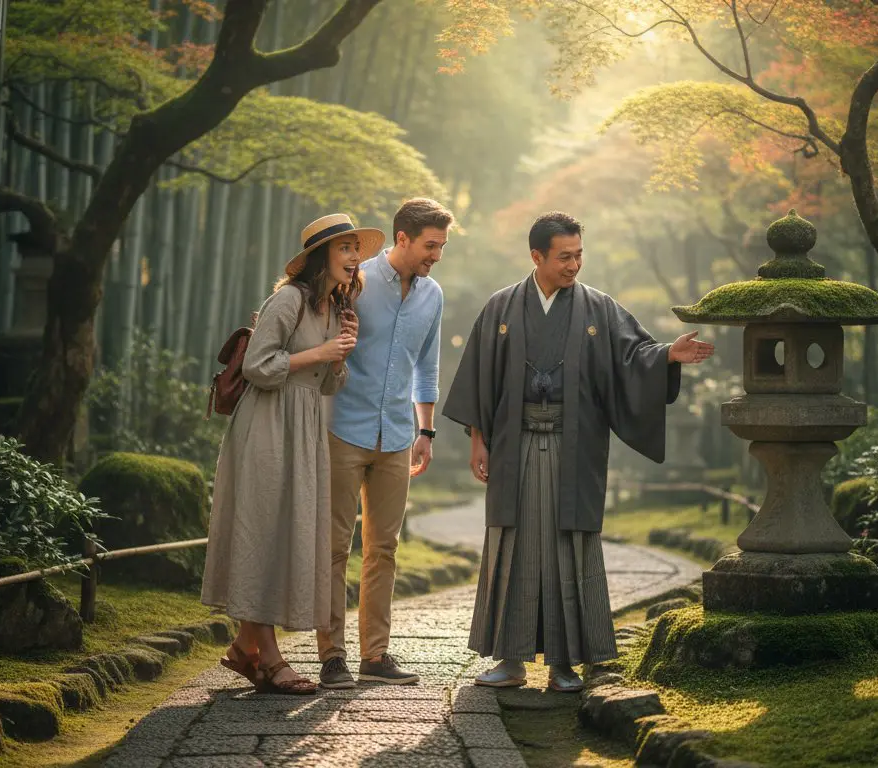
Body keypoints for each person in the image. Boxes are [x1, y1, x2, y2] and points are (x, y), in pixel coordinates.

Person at [442, 211, 715, 692]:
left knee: (570, 547)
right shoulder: (501, 308)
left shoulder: (599, 308)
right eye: (564, 256)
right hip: (515, 445)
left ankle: (566, 664)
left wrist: (667, 355)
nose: (574, 265)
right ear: (536, 256)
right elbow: (479, 381)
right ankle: (509, 660)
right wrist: (477, 443)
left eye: (579, 255)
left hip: (575, 446)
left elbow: (633, 356)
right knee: (514, 545)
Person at [201, 213, 383, 694]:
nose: (354, 257)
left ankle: (245, 649)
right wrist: (319, 355)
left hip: (304, 425)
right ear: (320, 256)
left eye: (356, 250)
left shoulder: (332, 310)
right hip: (265, 425)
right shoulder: (288, 300)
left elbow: (326, 384)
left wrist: (340, 352)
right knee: (261, 530)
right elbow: (260, 365)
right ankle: (273, 659)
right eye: (345, 248)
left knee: (282, 533)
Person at [317, 198, 455, 689]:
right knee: (334, 547)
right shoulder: (355, 281)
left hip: (397, 435)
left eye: (441, 246)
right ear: (403, 238)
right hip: (343, 430)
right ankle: (331, 656)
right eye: (430, 245)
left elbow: (427, 365)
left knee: (385, 548)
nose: (436, 255)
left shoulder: (433, 294)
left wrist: (427, 430)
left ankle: (375, 656)